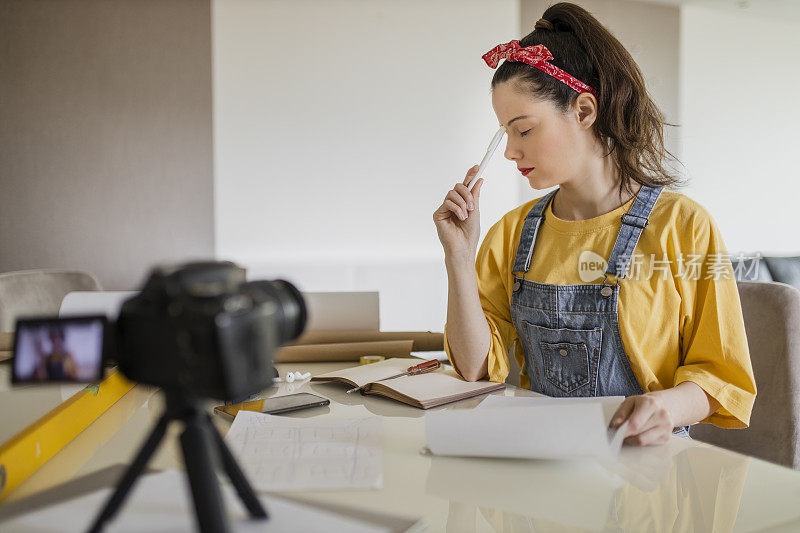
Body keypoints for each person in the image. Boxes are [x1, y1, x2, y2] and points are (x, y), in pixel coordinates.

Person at [434, 2, 756, 446]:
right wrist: (458, 253)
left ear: (585, 111)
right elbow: (474, 368)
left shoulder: (684, 226)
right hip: (540, 478)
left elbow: (722, 378)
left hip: (649, 490)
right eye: (504, 133)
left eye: (522, 130)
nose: (509, 151)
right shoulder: (510, 234)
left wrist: (665, 407)